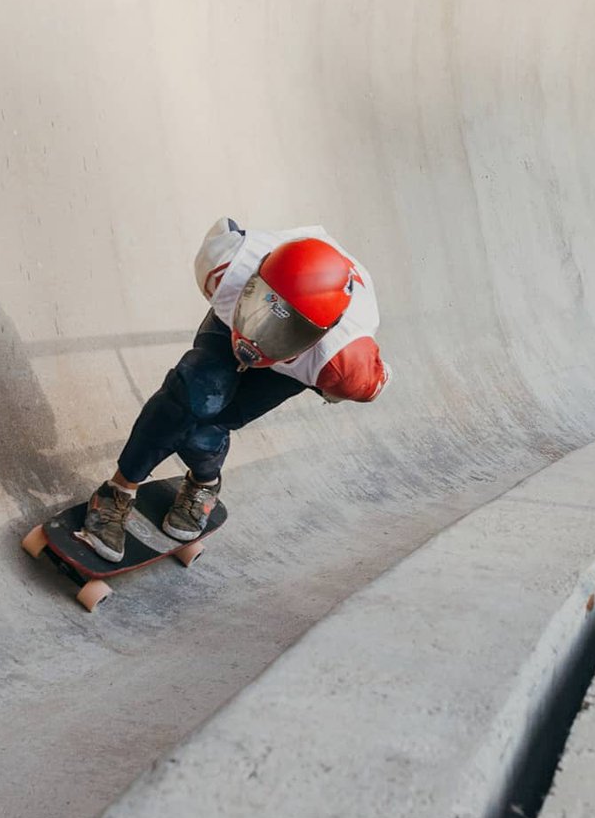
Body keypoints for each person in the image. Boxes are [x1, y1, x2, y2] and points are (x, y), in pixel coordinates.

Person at [78, 217, 391, 562]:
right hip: (252, 319)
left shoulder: (342, 366)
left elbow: (375, 379)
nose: (260, 338)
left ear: (323, 334)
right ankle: (116, 493)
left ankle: (204, 482)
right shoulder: (227, 265)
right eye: (260, 307)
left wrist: (328, 384)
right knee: (192, 395)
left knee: (208, 430)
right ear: (253, 275)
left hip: (294, 365)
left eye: (285, 333)